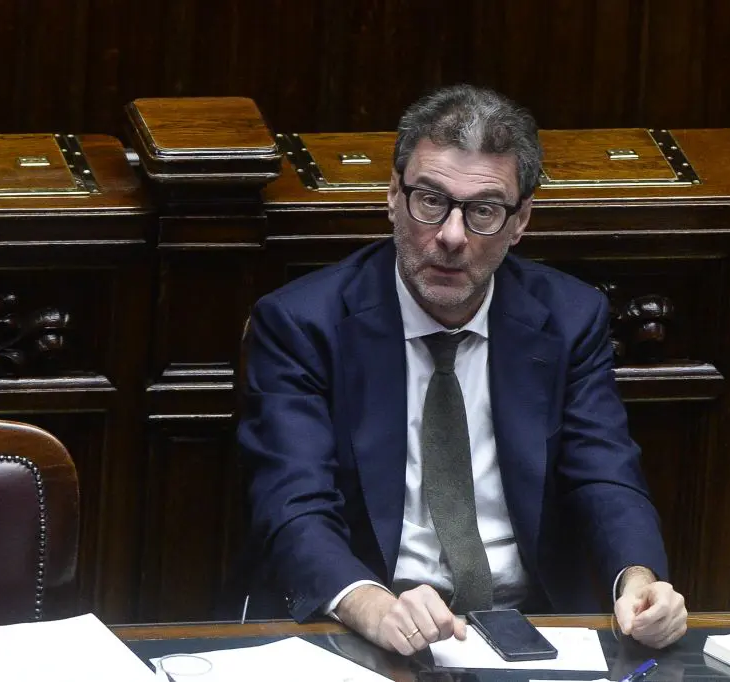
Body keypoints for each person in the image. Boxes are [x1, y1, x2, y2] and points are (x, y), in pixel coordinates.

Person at [237, 84, 687, 654]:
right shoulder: (303, 324)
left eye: (483, 211)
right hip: (364, 627)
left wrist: (639, 580)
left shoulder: (569, 319)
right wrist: (370, 604)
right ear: (393, 197)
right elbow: (292, 504)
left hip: (527, 630)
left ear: (520, 221)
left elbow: (604, 475)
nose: (451, 235)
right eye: (430, 200)